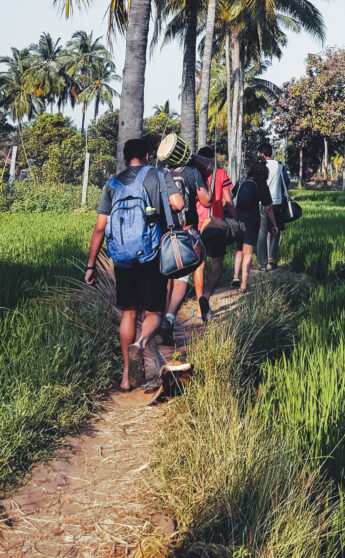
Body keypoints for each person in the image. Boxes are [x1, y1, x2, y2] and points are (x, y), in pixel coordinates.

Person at [85, 137, 184, 392]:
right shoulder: (159, 175)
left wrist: (90, 266)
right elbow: (178, 204)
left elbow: (99, 229)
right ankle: (140, 343)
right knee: (153, 313)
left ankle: (126, 377)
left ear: (125, 159)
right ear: (148, 156)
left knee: (128, 313)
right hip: (153, 255)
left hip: (122, 258)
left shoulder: (112, 184)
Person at [158, 158, 211, 343]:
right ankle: (170, 318)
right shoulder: (192, 172)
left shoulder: (159, 173)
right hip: (186, 230)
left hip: (163, 233)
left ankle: (161, 322)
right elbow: (207, 201)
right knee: (182, 277)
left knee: (166, 277)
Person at [193, 146, 237, 319]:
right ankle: (207, 296)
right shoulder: (220, 173)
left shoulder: (195, 174)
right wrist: (235, 219)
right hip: (216, 225)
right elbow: (229, 200)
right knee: (216, 264)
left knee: (198, 265)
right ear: (212, 158)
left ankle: (199, 306)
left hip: (197, 225)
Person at [232, 158, 277, 292]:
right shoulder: (262, 185)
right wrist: (274, 224)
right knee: (248, 252)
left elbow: (230, 196)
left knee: (239, 248)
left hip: (238, 217)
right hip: (252, 220)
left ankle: (235, 277)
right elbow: (268, 208)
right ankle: (244, 285)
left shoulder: (241, 181)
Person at [256, 141, 290, 271]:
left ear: (263, 154)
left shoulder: (259, 165)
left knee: (262, 231)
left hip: (261, 202)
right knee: (276, 230)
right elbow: (286, 182)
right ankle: (272, 258)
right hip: (277, 201)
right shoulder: (279, 165)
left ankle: (262, 263)